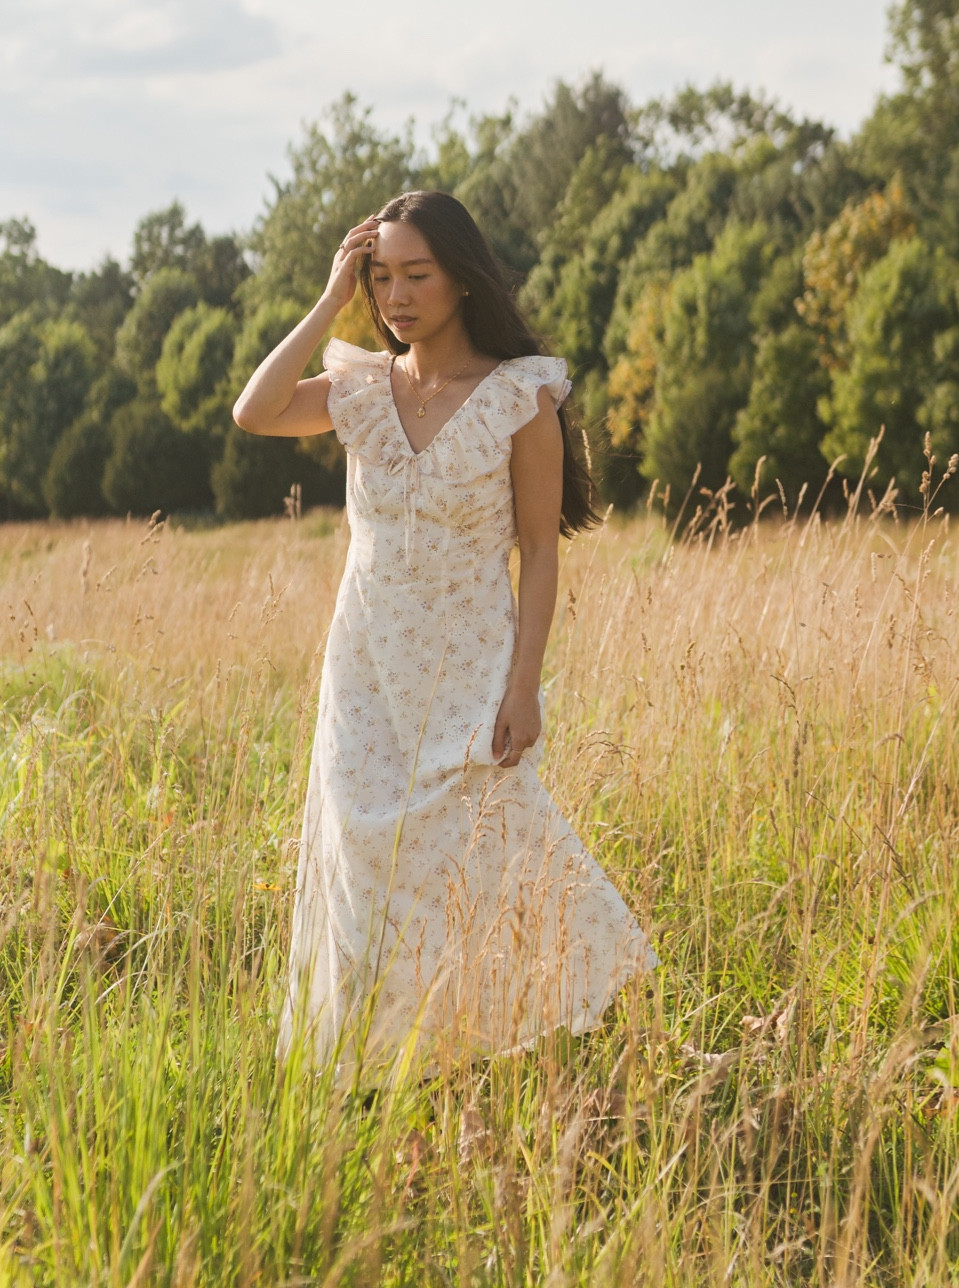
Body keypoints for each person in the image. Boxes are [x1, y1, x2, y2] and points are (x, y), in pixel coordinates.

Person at [233, 190, 654, 1075]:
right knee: (366, 870)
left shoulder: (517, 398)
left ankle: (507, 1047)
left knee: (495, 851)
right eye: (379, 277)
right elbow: (254, 412)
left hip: (468, 666)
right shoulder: (356, 389)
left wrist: (523, 683)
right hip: (364, 671)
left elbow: (539, 551)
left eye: (415, 275)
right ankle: (375, 1067)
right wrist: (325, 301)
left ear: (462, 278)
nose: (396, 296)